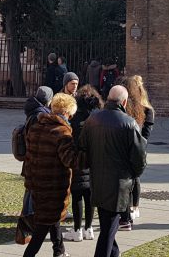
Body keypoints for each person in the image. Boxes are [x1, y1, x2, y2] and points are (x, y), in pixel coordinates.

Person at [76, 85, 147, 257]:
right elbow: (139, 159)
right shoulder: (130, 123)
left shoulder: (92, 120)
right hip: (118, 186)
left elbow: (82, 148)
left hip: (98, 182)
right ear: (123, 101)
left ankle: (114, 253)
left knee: (108, 226)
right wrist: (133, 175)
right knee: (108, 231)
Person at [22, 92, 80, 257]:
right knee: (42, 228)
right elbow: (70, 160)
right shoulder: (62, 132)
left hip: (36, 183)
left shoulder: (37, 126)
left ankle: (59, 251)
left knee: (52, 219)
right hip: (53, 185)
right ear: (67, 112)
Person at [64, 84, 102, 243]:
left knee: (78, 194)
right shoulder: (99, 117)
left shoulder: (75, 117)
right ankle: (89, 228)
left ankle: (77, 229)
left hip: (78, 159)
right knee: (90, 196)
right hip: (95, 160)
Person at [118, 75, 154, 231]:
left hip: (137, 145)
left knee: (135, 177)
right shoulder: (132, 106)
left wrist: (141, 143)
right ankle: (131, 208)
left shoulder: (145, 108)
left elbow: (146, 130)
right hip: (133, 145)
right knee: (132, 177)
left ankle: (134, 206)